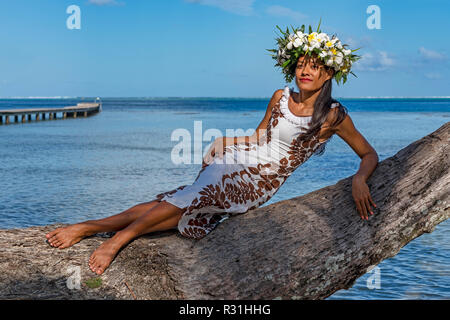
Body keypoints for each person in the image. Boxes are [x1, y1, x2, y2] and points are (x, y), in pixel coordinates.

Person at [45, 23, 378, 275]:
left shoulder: (333, 115)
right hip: (239, 159)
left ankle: (106, 233)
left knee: (180, 200)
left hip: (261, 181)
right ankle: (100, 231)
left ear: (329, 72)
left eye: (315, 66)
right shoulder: (280, 96)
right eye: (301, 64)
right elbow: (259, 136)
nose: (306, 71)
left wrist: (360, 179)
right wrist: (225, 141)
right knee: (181, 198)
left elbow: (368, 154)